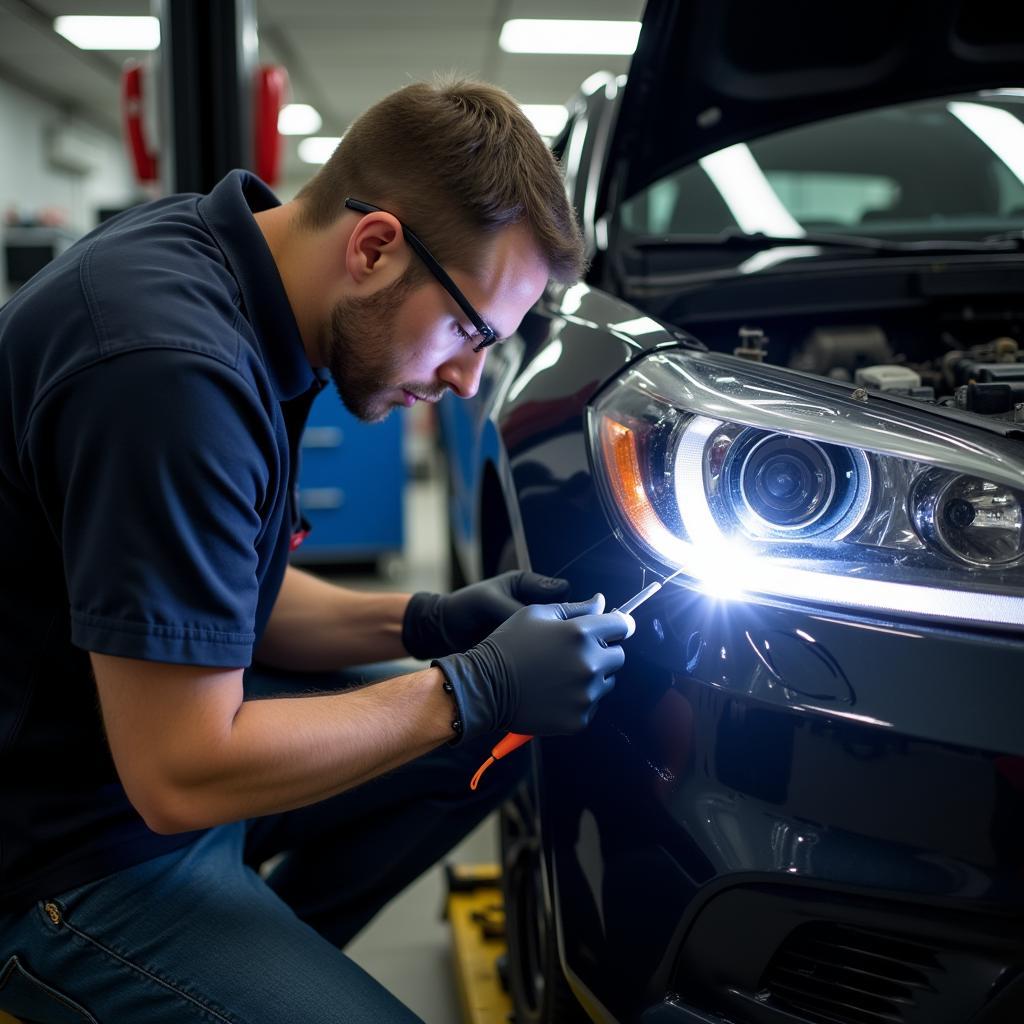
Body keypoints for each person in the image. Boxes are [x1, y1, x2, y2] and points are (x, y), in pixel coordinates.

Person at [0, 77, 633, 1022]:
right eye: (467, 330)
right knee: (473, 717)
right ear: (374, 247)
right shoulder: (172, 375)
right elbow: (180, 772)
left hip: (125, 759)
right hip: (65, 851)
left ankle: (238, 965)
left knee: (492, 748)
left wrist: (429, 622)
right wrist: (472, 686)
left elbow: (215, 604)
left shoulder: (239, 278)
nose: (468, 381)